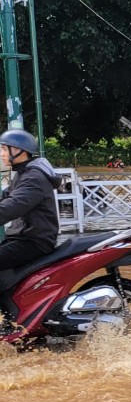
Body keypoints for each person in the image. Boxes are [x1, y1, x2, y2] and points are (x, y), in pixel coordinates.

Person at [0, 129, 61, 320]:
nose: (0, 154)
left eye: (3, 149)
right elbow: (6, 197)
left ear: (18, 150)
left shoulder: (33, 177)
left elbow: (12, 207)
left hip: (33, 241)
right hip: (22, 238)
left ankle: (14, 319)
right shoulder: (23, 173)